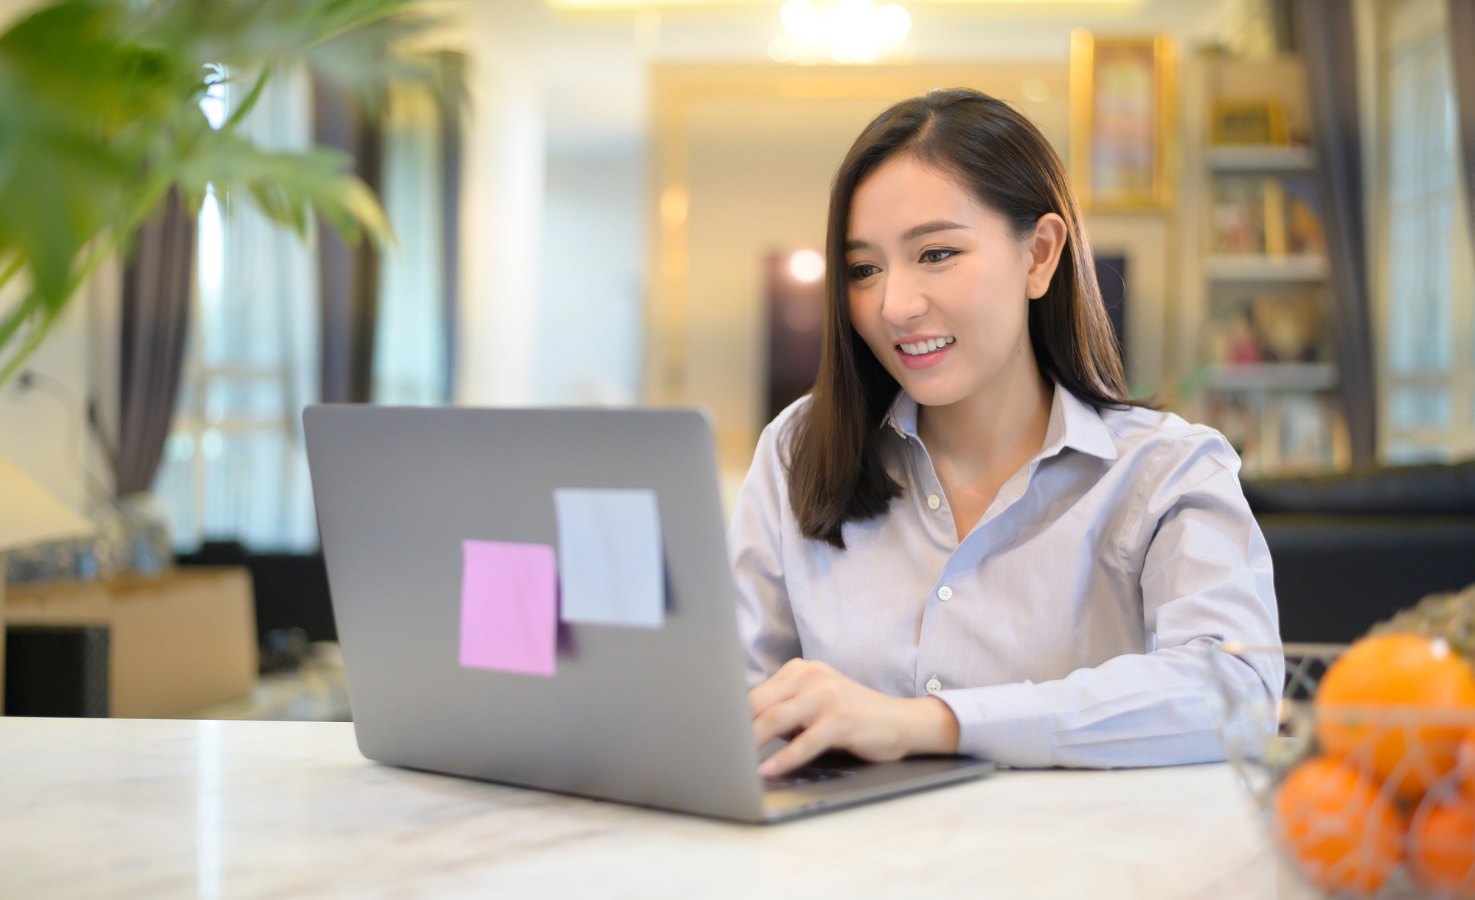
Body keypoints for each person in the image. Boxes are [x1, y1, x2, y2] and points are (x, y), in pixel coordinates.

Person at [729, 88, 1283, 778]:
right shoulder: (798, 450)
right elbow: (728, 702)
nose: (894, 305)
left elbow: (1235, 691)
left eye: (935, 253)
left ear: (1039, 256)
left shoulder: (1165, 470)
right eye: (863, 269)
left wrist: (931, 725)